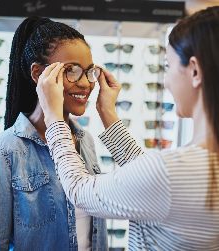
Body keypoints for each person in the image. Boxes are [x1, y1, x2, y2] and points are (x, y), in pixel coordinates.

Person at [36, 6, 219, 251]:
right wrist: (108, 113)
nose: (165, 81)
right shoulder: (195, 168)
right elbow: (151, 182)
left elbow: (81, 191)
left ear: (195, 71)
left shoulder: (171, 173)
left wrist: (53, 118)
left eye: (167, 66)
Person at [0, 17, 108, 250]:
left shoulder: (85, 141)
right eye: (72, 71)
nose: (86, 84)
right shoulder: (3, 152)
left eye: (89, 72)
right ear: (38, 74)